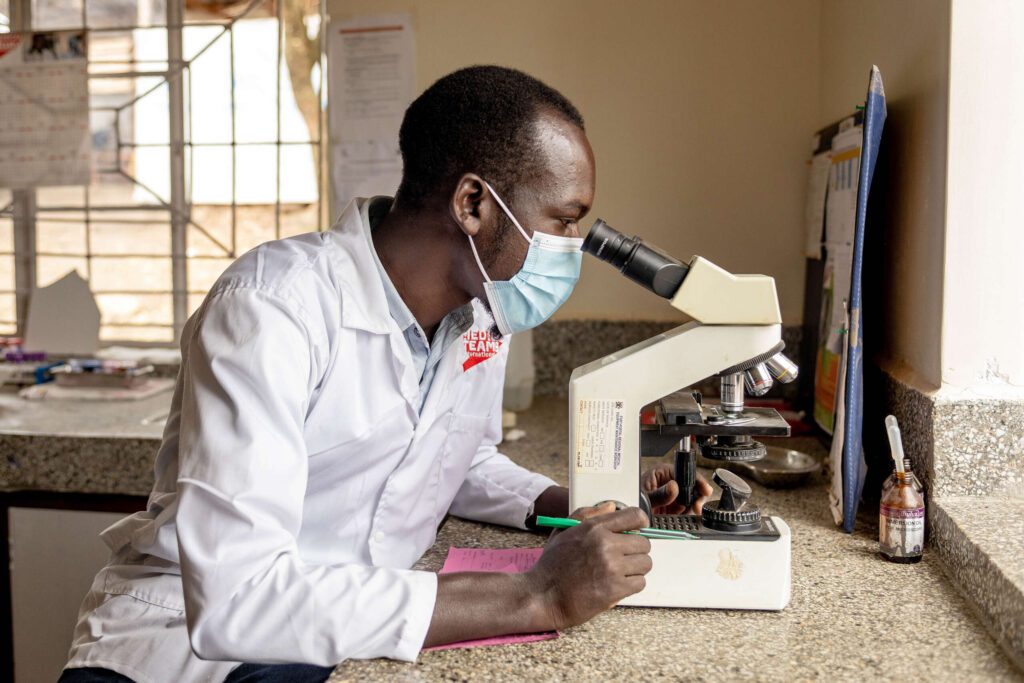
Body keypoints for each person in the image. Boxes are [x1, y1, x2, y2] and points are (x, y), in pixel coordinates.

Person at [60, 66, 710, 683]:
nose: (571, 247)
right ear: (474, 202)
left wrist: (584, 509)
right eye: (564, 221)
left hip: (344, 629)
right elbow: (241, 598)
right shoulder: (273, 307)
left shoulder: (483, 312)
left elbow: (461, 460)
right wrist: (536, 593)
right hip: (178, 640)